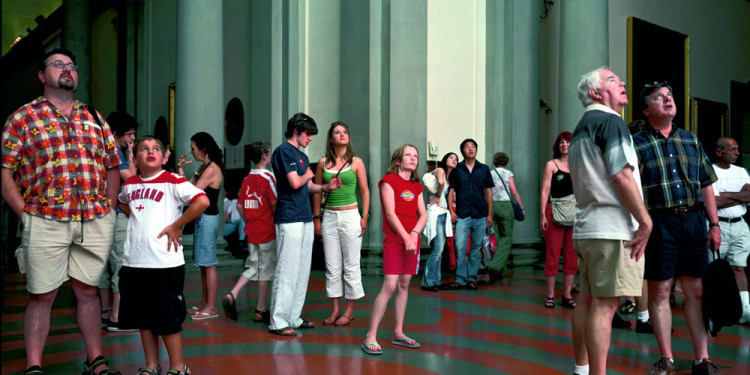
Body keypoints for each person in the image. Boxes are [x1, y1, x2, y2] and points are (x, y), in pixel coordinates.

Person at [1, 46, 122, 375]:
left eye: (72, 66)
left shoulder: (94, 118)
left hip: (92, 219)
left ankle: (95, 360)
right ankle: (34, 366)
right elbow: (4, 172)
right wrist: (25, 214)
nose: (67, 70)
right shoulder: (23, 118)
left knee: (88, 292)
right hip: (45, 219)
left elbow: (113, 166)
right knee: (42, 294)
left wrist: (109, 208)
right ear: (43, 76)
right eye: (58, 65)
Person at [633, 81, 721, 375]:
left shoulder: (691, 140)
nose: (668, 99)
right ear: (646, 110)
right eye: (659, 97)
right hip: (659, 223)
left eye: (669, 95)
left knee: (695, 292)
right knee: (660, 292)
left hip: (694, 221)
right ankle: (667, 359)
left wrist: (714, 224)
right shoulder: (637, 144)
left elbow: (706, 184)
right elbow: (631, 190)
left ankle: (702, 359)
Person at [568, 67, 652, 375]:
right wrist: (645, 221)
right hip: (612, 228)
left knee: (587, 301)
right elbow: (621, 175)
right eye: (612, 80)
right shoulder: (610, 122)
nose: (623, 83)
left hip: (588, 227)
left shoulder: (581, 127)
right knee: (606, 306)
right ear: (594, 92)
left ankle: (582, 369)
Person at [118, 136, 208, 375]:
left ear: (163, 155)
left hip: (165, 263)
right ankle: (151, 365)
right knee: (144, 319)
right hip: (135, 262)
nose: (150, 152)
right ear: (135, 158)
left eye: (156, 148)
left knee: (168, 319)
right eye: (144, 149)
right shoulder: (129, 186)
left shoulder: (172, 180)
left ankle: (178, 367)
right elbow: (124, 204)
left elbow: (202, 201)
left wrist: (178, 224)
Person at [268, 113, 341, 336]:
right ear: (297, 131)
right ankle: (278, 321)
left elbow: (307, 186)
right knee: (287, 270)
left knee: (301, 271)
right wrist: (307, 174)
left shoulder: (300, 155)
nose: (310, 138)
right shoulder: (283, 151)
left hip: (304, 217)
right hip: (289, 218)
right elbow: (294, 182)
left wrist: (326, 187)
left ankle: (293, 317)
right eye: (308, 134)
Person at [361, 144, 427, 355]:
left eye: (415, 155)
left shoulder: (417, 186)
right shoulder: (388, 181)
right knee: (390, 286)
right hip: (394, 240)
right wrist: (406, 236)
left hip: (411, 240)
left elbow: (423, 215)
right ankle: (370, 335)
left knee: (405, 284)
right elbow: (390, 214)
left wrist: (414, 235)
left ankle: (398, 332)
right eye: (408, 154)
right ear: (398, 160)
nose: (413, 158)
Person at [312, 122, 370, 326]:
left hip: (350, 216)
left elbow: (364, 190)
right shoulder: (322, 163)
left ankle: (349, 310)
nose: (342, 134)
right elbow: (318, 191)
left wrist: (365, 216)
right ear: (330, 139)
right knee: (332, 266)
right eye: (337, 132)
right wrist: (316, 218)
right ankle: (335, 309)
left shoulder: (356, 162)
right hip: (328, 217)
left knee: (351, 265)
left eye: (345, 131)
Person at [222, 141, 278, 323]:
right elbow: (274, 204)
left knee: (253, 267)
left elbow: (239, 205)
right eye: (269, 153)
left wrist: (250, 221)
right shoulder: (268, 178)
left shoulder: (246, 179)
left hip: (252, 231)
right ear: (264, 156)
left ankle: (233, 294)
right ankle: (260, 309)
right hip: (267, 231)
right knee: (266, 270)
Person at [177, 132, 225, 320]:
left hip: (208, 218)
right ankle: (204, 303)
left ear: (203, 149)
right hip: (202, 218)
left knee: (208, 263)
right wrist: (181, 170)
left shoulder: (212, 168)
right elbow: (187, 186)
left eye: (193, 148)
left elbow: (192, 192)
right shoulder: (204, 167)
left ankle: (211, 307)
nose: (191, 152)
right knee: (203, 264)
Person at [99, 112, 139, 333]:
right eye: (129, 135)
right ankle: (118, 316)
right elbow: (131, 180)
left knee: (104, 266)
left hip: (103, 214)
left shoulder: (103, 149)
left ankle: (105, 313)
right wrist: (131, 153)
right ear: (116, 134)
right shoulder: (116, 152)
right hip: (117, 214)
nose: (132, 139)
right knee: (120, 265)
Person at [443, 139, 494, 290]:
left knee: (476, 248)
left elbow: (489, 191)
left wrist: (490, 214)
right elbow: (451, 191)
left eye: (473, 146)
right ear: (462, 151)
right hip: (462, 214)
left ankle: (472, 278)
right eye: (467, 147)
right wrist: (451, 211)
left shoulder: (484, 169)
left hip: (481, 214)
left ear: (476, 150)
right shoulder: (457, 170)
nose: (470, 149)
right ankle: (459, 278)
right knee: (460, 247)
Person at [711, 137, 750, 324]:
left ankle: (745, 311)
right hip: (718, 225)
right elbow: (713, 201)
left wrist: (725, 195)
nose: (737, 153)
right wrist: (740, 197)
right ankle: (713, 309)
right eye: (732, 149)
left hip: (740, 224)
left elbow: (749, 195)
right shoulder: (710, 171)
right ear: (720, 152)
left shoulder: (742, 172)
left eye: (737, 149)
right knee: (713, 269)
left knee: (739, 267)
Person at [540, 133, 578, 308]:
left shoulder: (579, 165)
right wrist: (542, 214)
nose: (564, 145)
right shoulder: (552, 165)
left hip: (575, 213)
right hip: (554, 212)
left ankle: (567, 294)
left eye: (568, 142)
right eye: (561, 142)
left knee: (571, 255)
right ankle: (550, 295)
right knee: (553, 253)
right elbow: (545, 190)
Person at [421, 152, 457, 291]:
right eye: (451, 157)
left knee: (440, 250)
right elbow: (440, 183)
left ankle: (436, 280)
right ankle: (427, 281)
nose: (454, 160)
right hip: (435, 213)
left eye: (456, 158)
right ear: (444, 160)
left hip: (442, 214)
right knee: (437, 249)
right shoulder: (440, 170)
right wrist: (437, 196)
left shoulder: (448, 176)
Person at [487, 152, 523, 279]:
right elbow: (514, 192)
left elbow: (486, 191)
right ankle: (494, 265)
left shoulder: (490, 173)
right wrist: (521, 206)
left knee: (497, 239)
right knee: (506, 239)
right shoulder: (508, 174)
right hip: (505, 206)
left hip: (492, 206)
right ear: (506, 162)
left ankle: (501, 270)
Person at [222, 186, 247, 259]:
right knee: (221, 231)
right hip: (233, 223)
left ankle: (241, 240)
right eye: (239, 191)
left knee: (242, 220)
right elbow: (227, 213)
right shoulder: (234, 201)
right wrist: (220, 225)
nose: (241, 193)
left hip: (244, 223)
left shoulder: (247, 201)